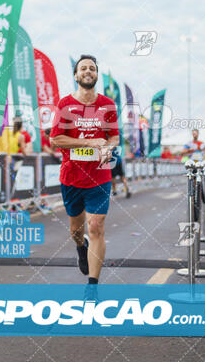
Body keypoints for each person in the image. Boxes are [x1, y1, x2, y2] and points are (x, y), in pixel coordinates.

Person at [50, 55, 119, 296]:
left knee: (96, 226)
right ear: (76, 75)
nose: (88, 71)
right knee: (76, 231)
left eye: (92, 68)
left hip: (99, 176)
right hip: (71, 177)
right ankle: (81, 248)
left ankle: (92, 286)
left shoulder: (108, 105)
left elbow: (114, 137)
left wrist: (108, 148)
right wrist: (90, 143)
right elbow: (56, 139)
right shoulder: (65, 104)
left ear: (96, 75)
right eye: (83, 68)